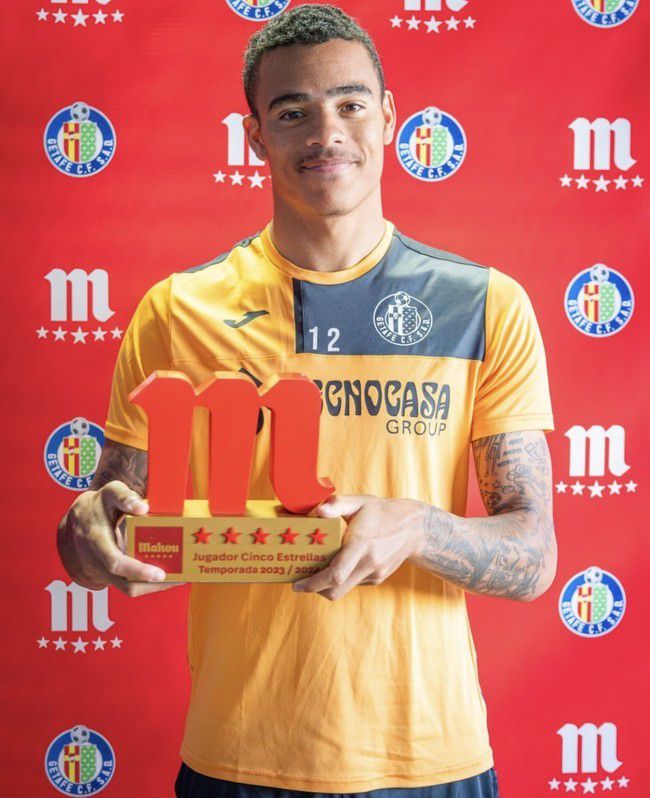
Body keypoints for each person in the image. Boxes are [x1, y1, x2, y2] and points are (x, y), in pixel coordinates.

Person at [56, 4, 557, 798]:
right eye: (293, 112)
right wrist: (84, 534)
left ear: (388, 118)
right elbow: (108, 525)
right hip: (237, 756)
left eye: (350, 104)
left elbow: (532, 555)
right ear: (255, 136)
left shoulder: (486, 305)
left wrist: (417, 525)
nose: (327, 132)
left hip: (432, 757)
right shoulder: (177, 311)